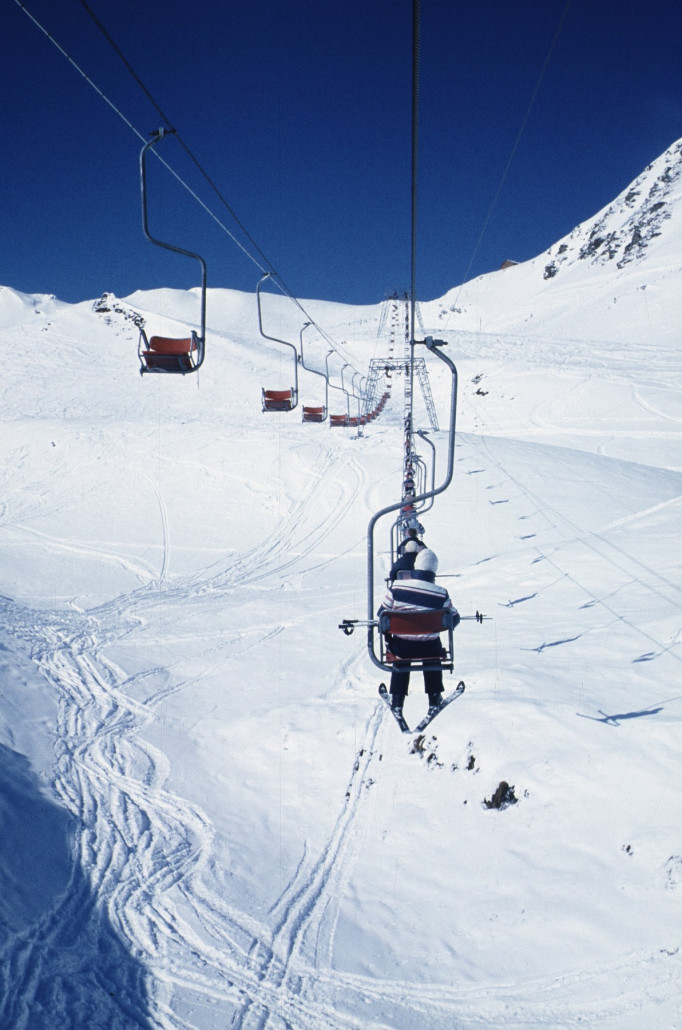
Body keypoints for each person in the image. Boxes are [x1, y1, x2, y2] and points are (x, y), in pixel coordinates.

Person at [378, 547, 460, 716]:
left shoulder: (397, 588)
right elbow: (454, 618)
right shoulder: (441, 593)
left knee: (401, 653)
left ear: (416, 566)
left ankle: (398, 700)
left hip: (402, 648)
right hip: (430, 649)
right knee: (433, 647)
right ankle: (434, 696)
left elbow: (382, 614)